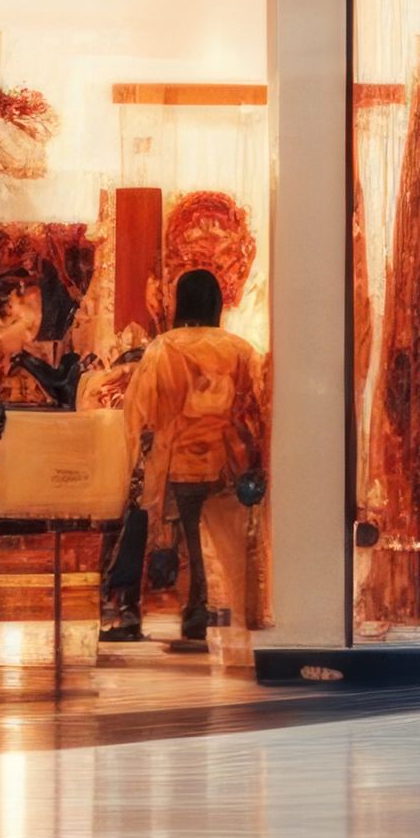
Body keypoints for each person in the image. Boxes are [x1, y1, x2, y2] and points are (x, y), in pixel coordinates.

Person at [103, 270, 263, 650]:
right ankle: (217, 608)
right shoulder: (240, 350)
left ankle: (191, 608)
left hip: (176, 463)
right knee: (224, 544)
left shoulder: (163, 348)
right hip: (226, 464)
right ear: (216, 303)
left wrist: (134, 463)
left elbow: (137, 412)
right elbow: (256, 409)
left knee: (186, 538)